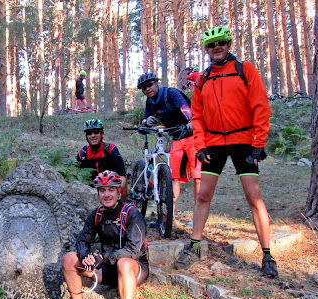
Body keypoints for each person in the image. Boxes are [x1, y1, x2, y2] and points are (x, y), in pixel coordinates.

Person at [173, 25, 278, 278]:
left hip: (244, 140)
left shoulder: (245, 70)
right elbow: (196, 116)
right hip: (214, 143)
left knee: (254, 197)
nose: (216, 47)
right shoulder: (203, 79)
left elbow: (261, 106)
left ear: (229, 45)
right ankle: (194, 246)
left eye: (221, 42)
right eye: (211, 45)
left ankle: (267, 255)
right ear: (206, 50)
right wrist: (200, 145)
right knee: (202, 196)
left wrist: (258, 143)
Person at [56, 170, 149, 299]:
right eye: (102, 191)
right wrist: (86, 257)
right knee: (69, 258)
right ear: (98, 193)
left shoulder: (132, 214)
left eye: (111, 190)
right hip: (107, 269)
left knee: (124, 262)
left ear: (118, 192)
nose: (107, 195)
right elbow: (83, 240)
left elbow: (133, 250)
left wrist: (102, 257)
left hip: (133, 268)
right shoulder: (97, 214)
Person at [137, 72, 201, 228]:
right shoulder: (151, 102)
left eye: (150, 85)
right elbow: (145, 121)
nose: (148, 89)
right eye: (144, 88)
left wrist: (191, 121)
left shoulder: (171, 93)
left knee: (198, 177)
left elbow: (185, 107)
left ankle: (199, 217)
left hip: (194, 136)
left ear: (157, 83)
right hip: (177, 139)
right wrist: (147, 121)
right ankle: (168, 216)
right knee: (173, 177)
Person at [76, 119, 128, 201]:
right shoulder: (82, 153)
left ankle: (121, 209)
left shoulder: (111, 149)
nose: (93, 135)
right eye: (89, 133)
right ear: (86, 136)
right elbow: (78, 177)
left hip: (110, 186)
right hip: (90, 188)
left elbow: (121, 175)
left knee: (123, 181)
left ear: (102, 134)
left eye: (96, 132)